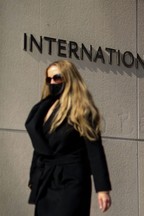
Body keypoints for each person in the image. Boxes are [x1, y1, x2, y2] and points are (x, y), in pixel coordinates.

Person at [25, 59, 112, 216]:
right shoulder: (43, 108)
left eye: (57, 77)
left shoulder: (82, 109)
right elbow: (39, 147)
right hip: (47, 180)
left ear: (68, 78)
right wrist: (34, 176)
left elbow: (94, 150)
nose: (52, 82)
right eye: (48, 79)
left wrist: (102, 188)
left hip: (72, 181)